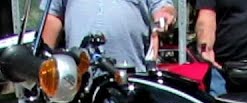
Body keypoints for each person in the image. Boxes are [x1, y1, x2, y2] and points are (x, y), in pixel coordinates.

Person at [41, 0, 176, 71]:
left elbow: (163, 7)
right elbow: (53, 17)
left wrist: (164, 16)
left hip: (128, 72)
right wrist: (43, 64)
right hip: (78, 74)